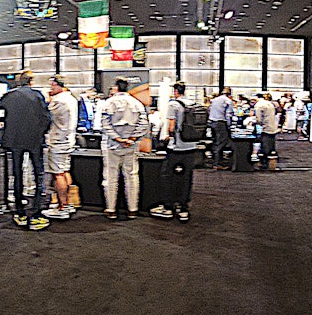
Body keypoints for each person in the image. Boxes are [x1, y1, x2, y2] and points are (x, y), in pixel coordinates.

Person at [0, 70, 53, 231]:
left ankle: (20, 212)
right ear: (31, 81)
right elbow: (47, 118)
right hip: (34, 140)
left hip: (14, 140)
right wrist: (40, 132)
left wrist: (5, 120)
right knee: (38, 175)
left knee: (17, 175)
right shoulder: (37, 95)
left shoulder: (10, 95)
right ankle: (36, 212)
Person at [98, 77, 149, 220]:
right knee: (132, 176)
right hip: (131, 146)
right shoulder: (137, 103)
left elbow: (105, 125)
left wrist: (118, 139)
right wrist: (131, 138)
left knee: (110, 177)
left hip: (112, 146)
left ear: (116, 87)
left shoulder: (109, 103)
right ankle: (132, 209)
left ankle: (111, 209)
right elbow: (144, 124)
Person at [151, 82, 200, 222]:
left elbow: (171, 127)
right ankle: (183, 209)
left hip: (177, 148)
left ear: (175, 91)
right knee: (186, 178)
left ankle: (168, 207)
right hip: (191, 146)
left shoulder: (173, 105)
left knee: (168, 177)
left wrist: (168, 137)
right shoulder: (192, 104)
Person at [41, 75, 78, 221]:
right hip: (68, 139)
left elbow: (45, 115)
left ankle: (62, 207)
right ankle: (67, 203)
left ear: (58, 85)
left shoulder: (58, 101)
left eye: (52, 85)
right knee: (65, 171)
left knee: (58, 174)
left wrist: (48, 99)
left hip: (58, 141)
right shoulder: (71, 98)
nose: (51, 88)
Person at [209, 87, 235, 170]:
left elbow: (209, 110)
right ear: (229, 94)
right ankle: (217, 164)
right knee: (221, 143)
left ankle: (215, 161)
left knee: (215, 142)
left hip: (212, 122)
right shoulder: (228, 101)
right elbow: (228, 115)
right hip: (221, 123)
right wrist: (229, 126)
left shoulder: (214, 100)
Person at [254, 92, 280, 169]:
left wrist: (257, 123)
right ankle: (270, 162)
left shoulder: (259, 105)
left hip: (265, 128)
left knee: (264, 146)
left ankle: (264, 163)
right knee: (271, 146)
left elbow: (258, 118)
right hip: (272, 127)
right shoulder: (270, 104)